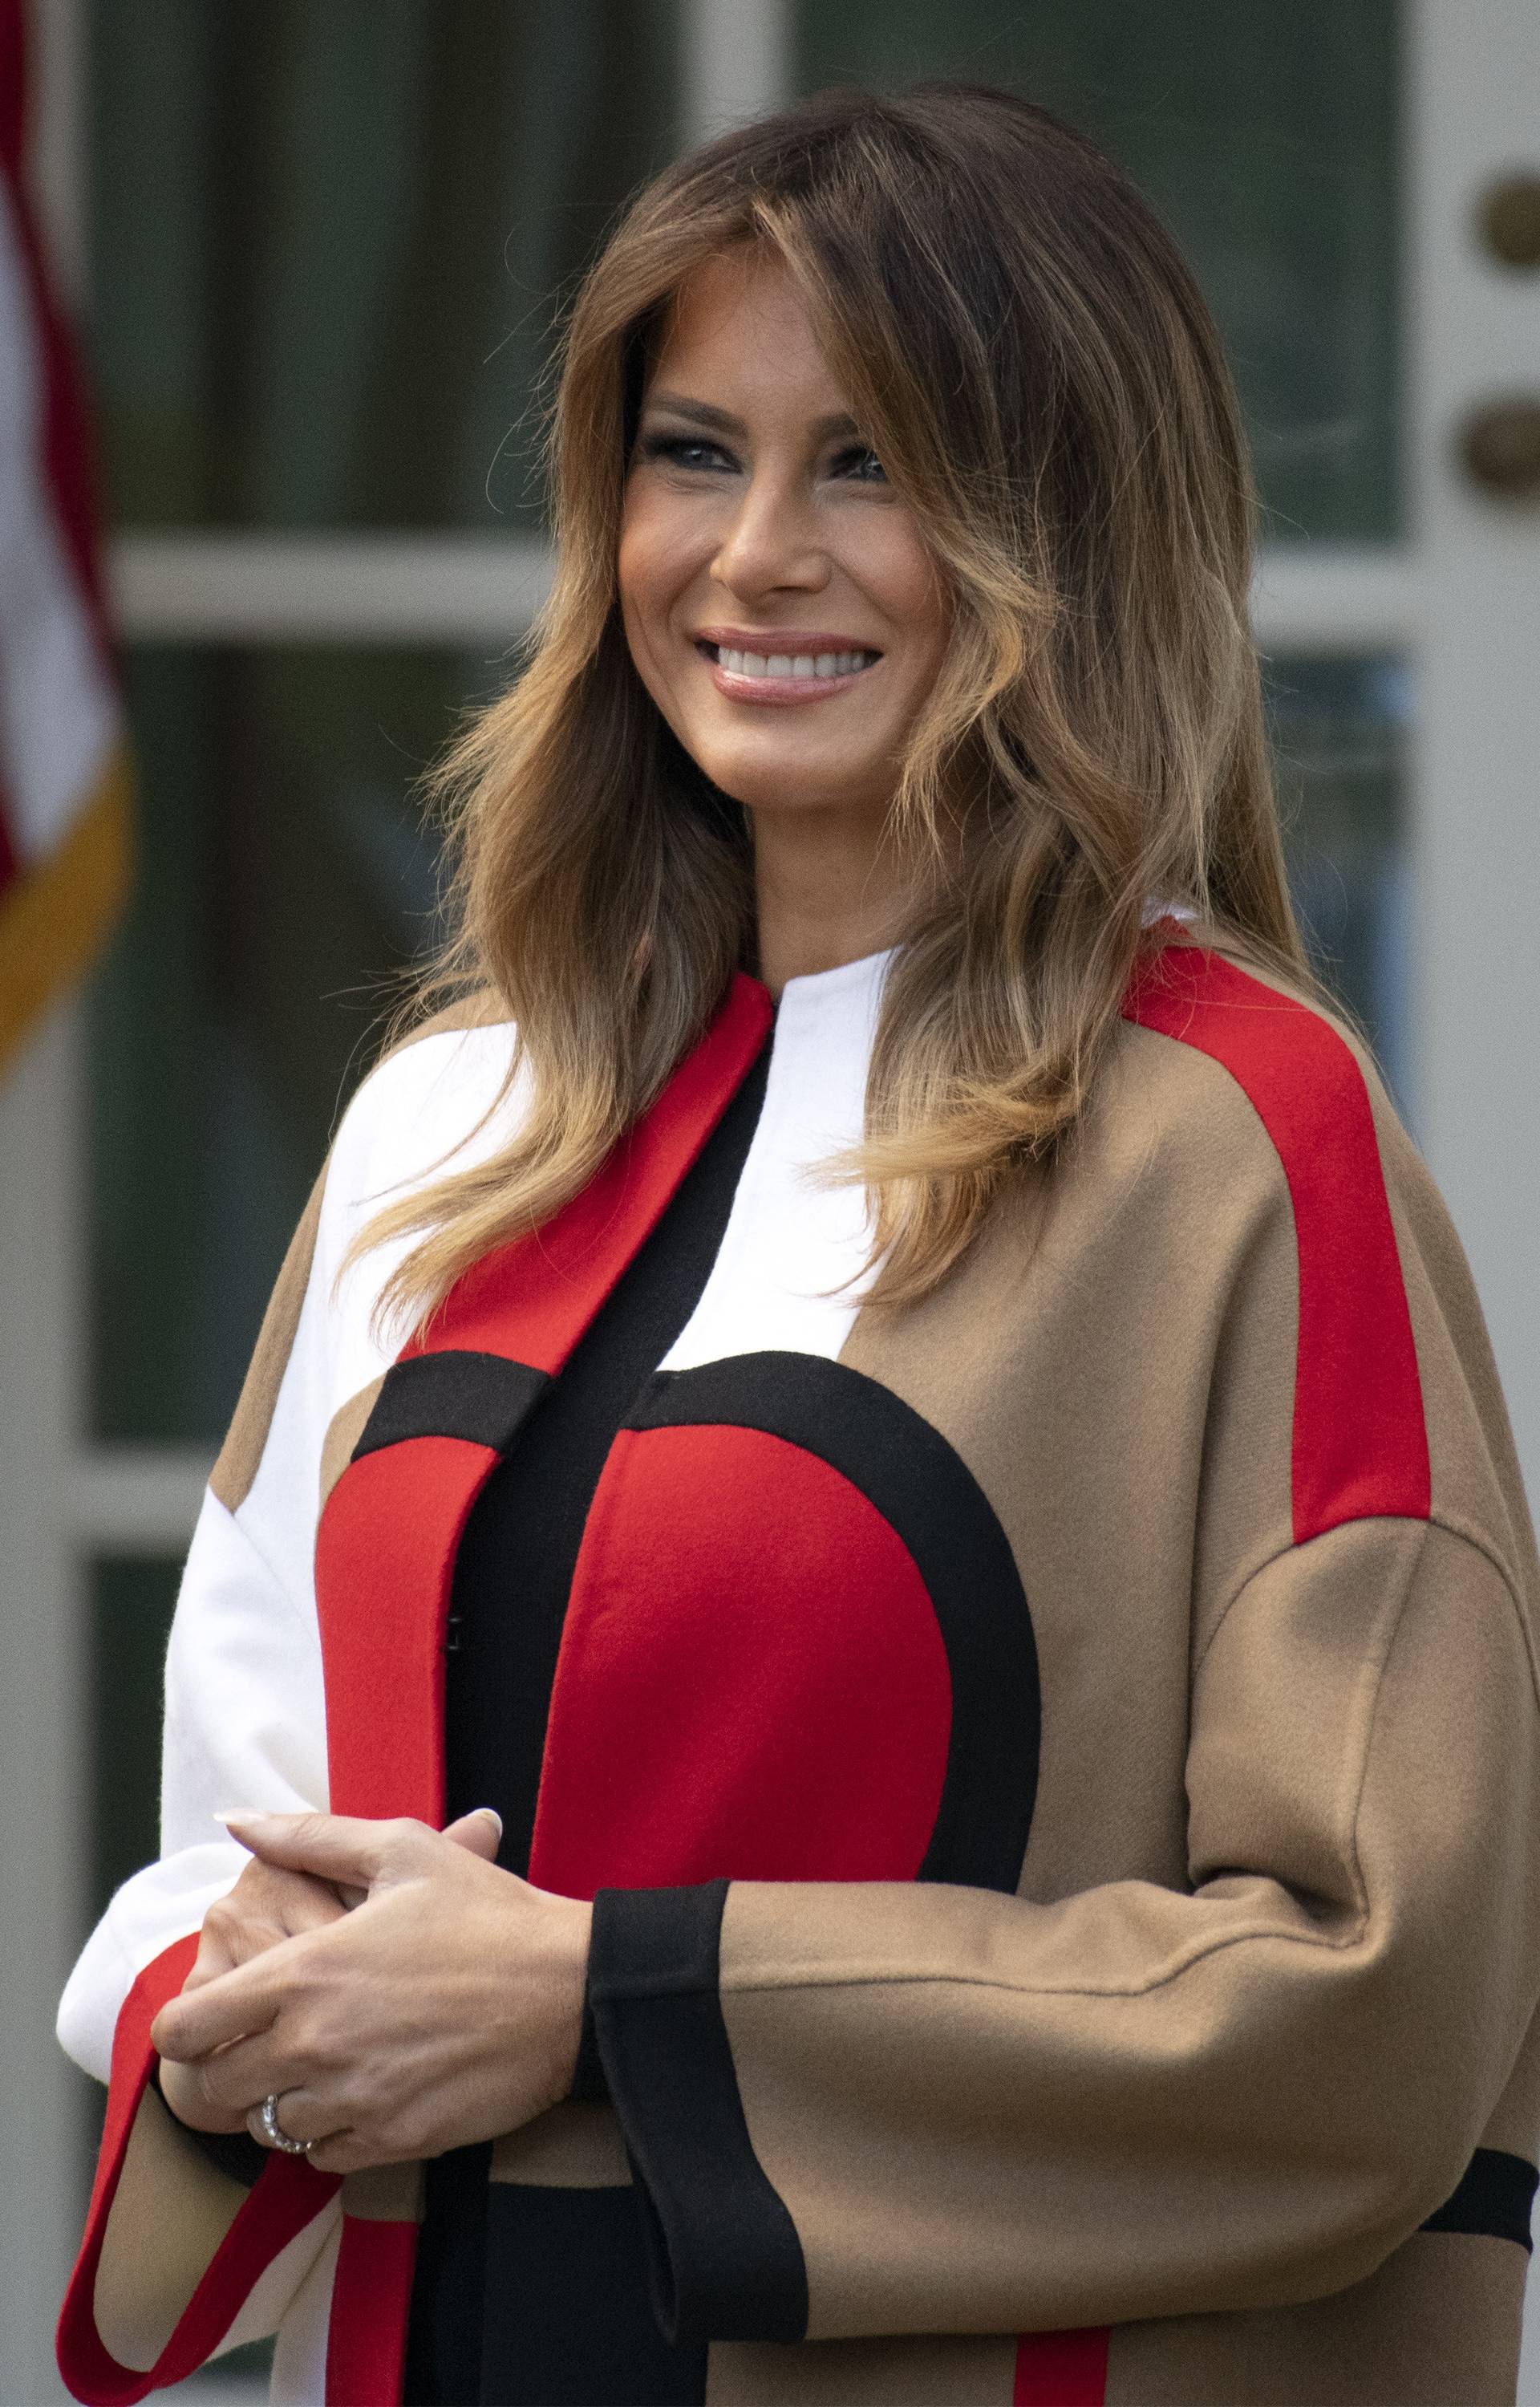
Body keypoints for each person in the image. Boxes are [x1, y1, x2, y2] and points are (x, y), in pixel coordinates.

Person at [56, 83, 1540, 2407]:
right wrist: (246, 2000)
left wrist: (591, 2000)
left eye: (871, 463)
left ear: (1070, 530)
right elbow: (210, 1844)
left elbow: (1376, 1993)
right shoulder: (446, 1120)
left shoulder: (1240, 1147)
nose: (756, 554)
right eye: (690, 454)